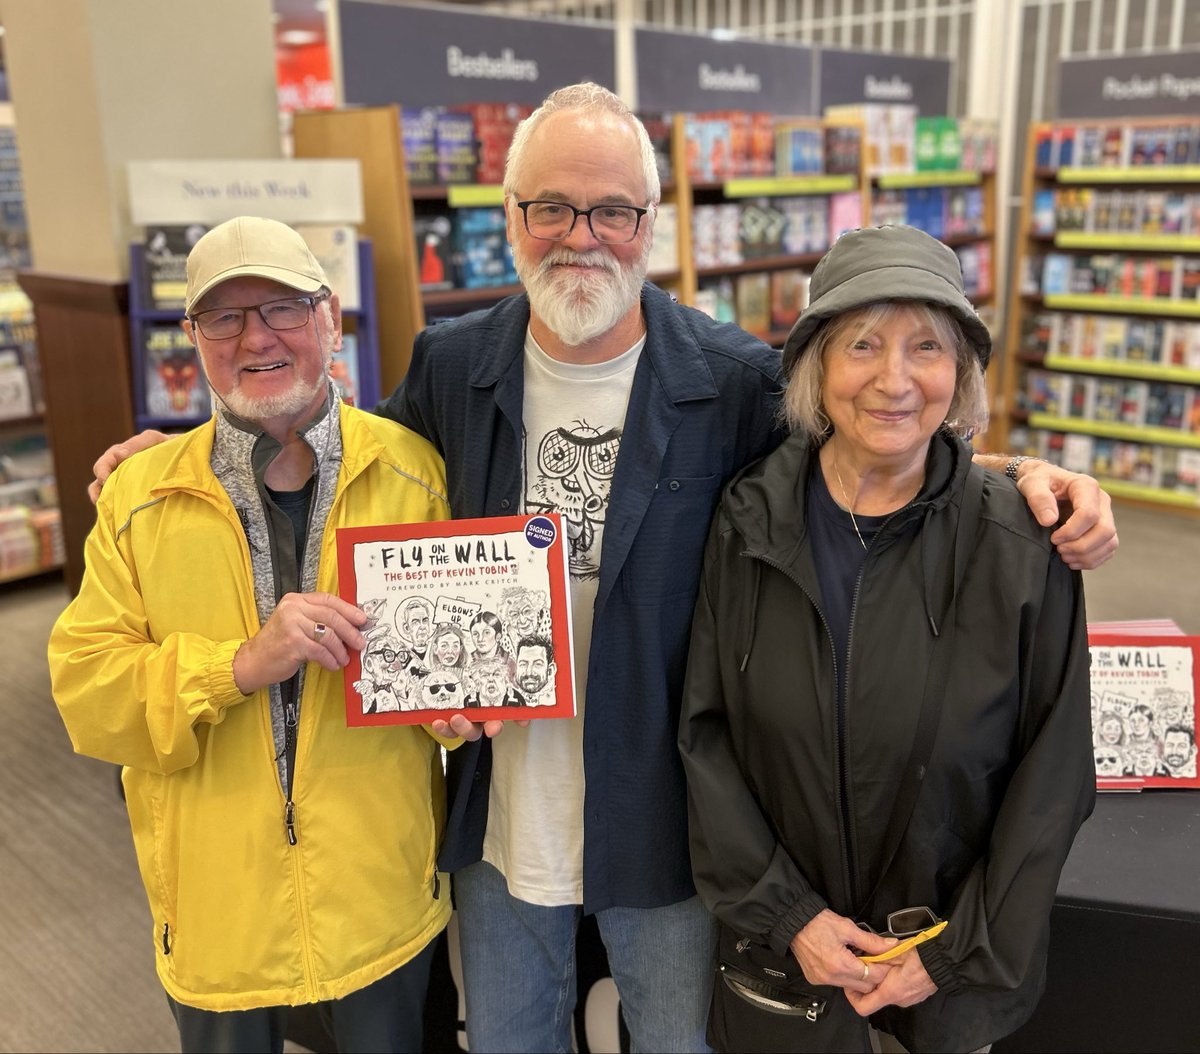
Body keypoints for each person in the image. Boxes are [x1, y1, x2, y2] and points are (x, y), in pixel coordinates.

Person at [89, 85, 1118, 1054]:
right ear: (510, 214)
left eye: (613, 212)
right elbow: (348, 470)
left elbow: (869, 446)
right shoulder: (452, 365)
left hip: (668, 827)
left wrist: (1020, 476)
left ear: (651, 224)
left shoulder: (732, 380)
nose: (582, 236)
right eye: (552, 208)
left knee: (675, 1040)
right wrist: (185, 449)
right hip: (499, 820)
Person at [678, 224, 1097, 1053]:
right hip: (784, 974)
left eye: (927, 347)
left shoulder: (1023, 544)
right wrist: (790, 915)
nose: (894, 380)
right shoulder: (747, 519)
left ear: (962, 372)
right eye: (862, 344)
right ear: (815, 367)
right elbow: (705, 735)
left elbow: (1053, 775)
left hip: (948, 978)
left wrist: (953, 954)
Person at [50, 216, 454, 1054]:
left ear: (329, 319)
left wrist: (451, 708)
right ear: (193, 338)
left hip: (378, 899)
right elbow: (88, 695)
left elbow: (445, 655)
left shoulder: (416, 471)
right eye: (224, 318)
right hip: (215, 913)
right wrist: (237, 665)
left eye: (281, 308)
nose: (256, 338)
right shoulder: (140, 497)